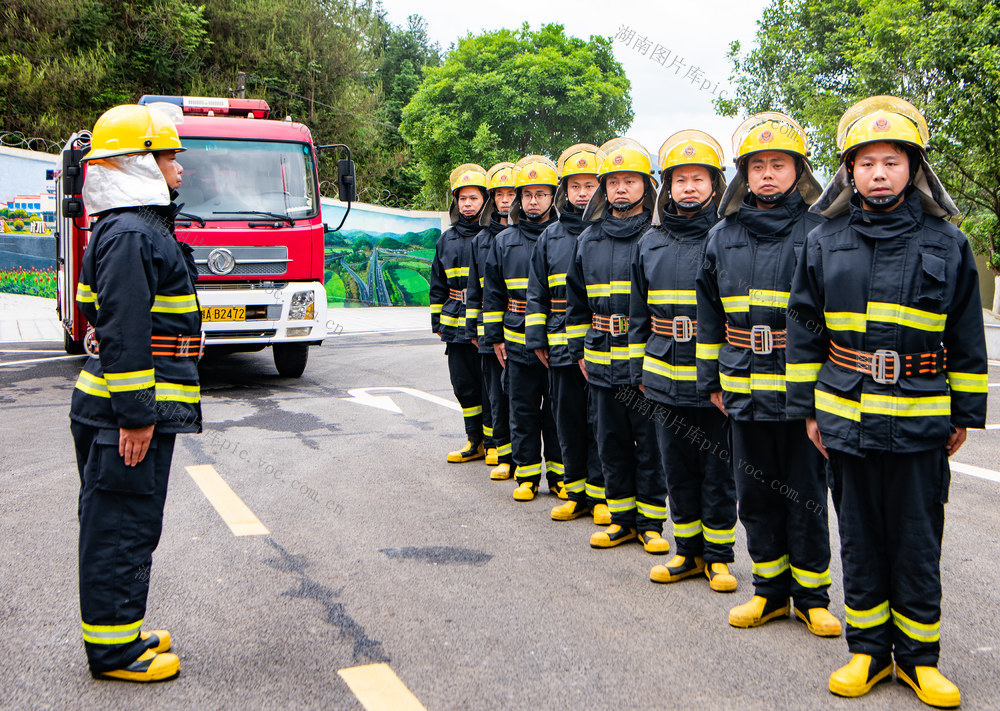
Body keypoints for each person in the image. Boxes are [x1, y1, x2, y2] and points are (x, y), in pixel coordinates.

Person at [786, 96, 988, 708]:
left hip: (923, 419)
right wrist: (810, 409)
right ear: (848, 171)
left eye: (892, 161)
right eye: (866, 162)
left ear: (914, 169)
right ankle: (868, 653)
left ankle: (920, 661)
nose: (878, 173)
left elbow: (966, 335)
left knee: (918, 540)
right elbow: (803, 327)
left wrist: (964, 413)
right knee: (861, 538)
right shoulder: (824, 241)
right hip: (846, 417)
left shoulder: (947, 242)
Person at [696, 112, 842, 636]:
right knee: (755, 496)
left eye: (778, 164)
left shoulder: (823, 232)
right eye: (757, 166)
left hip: (803, 391)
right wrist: (710, 379)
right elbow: (709, 312)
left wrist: (829, 386)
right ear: (743, 175)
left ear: (798, 171)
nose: (766, 175)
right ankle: (769, 593)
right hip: (742, 387)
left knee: (805, 492)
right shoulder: (722, 235)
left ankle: (812, 597)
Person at [71, 102, 202, 681]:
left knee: (127, 524)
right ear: (137, 162)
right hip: (122, 415)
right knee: (120, 527)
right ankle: (114, 652)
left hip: (121, 408)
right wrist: (135, 415)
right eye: (170, 156)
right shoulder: (130, 232)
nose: (180, 169)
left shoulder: (130, 227)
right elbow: (121, 332)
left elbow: (90, 312)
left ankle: (123, 631)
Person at [630, 130, 739, 591]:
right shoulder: (650, 242)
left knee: (718, 472)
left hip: (713, 379)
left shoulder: (728, 237)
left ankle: (718, 558)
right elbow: (639, 313)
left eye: (699, 179)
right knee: (676, 468)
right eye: (680, 180)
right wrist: (638, 370)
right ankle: (687, 553)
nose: (689, 188)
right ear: (667, 188)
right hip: (661, 374)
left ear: (715, 185)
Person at [565, 138, 669, 554]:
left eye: (630, 181)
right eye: (613, 182)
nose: (621, 189)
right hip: (602, 358)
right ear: (604, 189)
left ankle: (650, 523)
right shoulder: (588, 239)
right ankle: (621, 519)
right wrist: (579, 352)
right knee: (609, 440)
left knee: (650, 446)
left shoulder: (660, 235)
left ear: (647, 186)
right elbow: (575, 305)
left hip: (647, 362)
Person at [525, 144, 611, 525]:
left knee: (602, 425)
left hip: (605, 350)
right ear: (564, 190)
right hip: (560, 347)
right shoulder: (551, 237)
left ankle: (604, 494)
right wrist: (537, 340)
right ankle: (574, 491)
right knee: (568, 421)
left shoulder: (609, 232)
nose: (582, 193)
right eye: (574, 185)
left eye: (589, 184)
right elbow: (536, 293)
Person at [482, 155, 565, 501]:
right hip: (515, 339)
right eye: (527, 194)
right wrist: (495, 337)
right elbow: (492, 293)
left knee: (558, 413)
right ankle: (527, 475)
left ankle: (560, 477)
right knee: (522, 409)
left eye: (541, 194)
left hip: (558, 340)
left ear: (552, 197)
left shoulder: (565, 236)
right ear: (518, 199)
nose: (533, 201)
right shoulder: (504, 241)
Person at [430, 164, 488, 463]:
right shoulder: (446, 239)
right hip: (455, 323)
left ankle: (495, 445)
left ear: (484, 201)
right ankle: (474, 441)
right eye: (462, 198)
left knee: (489, 386)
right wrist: (437, 321)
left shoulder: (494, 236)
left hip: (485, 322)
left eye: (473, 198)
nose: (467, 204)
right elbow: (437, 283)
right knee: (463, 384)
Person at [466, 162, 518, 480]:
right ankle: (503, 452)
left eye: (511, 193)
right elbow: (476, 290)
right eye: (499, 194)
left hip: (525, 330)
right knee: (496, 396)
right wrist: (475, 328)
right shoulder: (482, 240)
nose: (505, 200)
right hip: (492, 331)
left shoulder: (534, 234)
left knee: (527, 398)